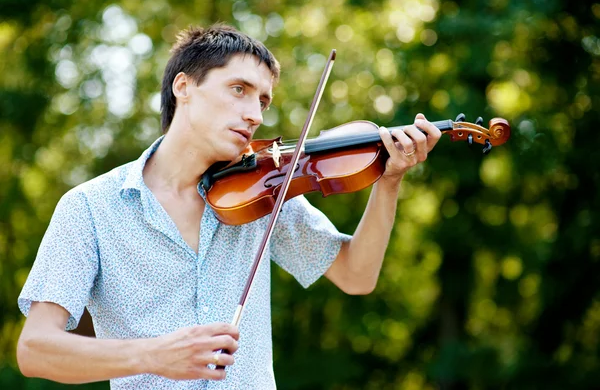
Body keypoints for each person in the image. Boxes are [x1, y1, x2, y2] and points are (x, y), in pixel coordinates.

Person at [16, 24, 441, 389]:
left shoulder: (265, 190)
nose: (254, 114)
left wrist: (389, 181)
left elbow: (356, 275)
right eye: (239, 90)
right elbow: (35, 350)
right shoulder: (91, 208)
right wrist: (152, 356)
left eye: (262, 101)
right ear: (183, 87)